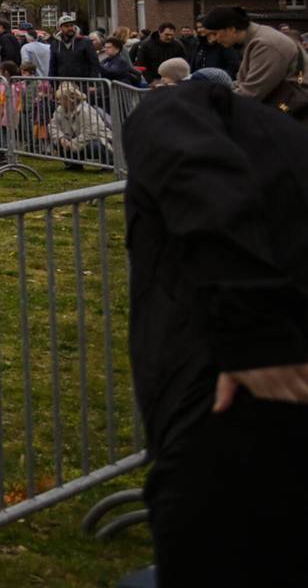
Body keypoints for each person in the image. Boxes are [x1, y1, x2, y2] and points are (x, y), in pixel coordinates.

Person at [122, 79, 308, 582]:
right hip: (240, 407)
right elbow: (172, 125)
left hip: (239, 430)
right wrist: (256, 326)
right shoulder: (237, 120)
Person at [203, 5, 308, 114]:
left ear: (231, 29)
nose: (213, 40)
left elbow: (251, 93)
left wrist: (209, 105)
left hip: (293, 112)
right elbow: (245, 83)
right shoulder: (256, 38)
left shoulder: (266, 44)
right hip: (285, 109)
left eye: (215, 34)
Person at [48, 82, 111, 168]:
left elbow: (90, 133)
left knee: (93, 146)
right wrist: (61, 138)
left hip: (100, 139)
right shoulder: (59, 110)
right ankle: (73, 164)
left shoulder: (85, 111)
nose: (58, 102)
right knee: (57, 142)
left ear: (70, 100)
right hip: (74, 138)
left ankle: (109, 162)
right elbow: (53, 126)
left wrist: (72, 144)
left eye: (61, 99)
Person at [51, 17, 99, 82]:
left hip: (83, 84)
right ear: (60, 28)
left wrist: (93, 83)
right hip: (62, 84)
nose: (70, 28)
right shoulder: (55, 44)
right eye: (66, 26)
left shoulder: (85, 42)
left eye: (71, 25)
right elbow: (52, 65)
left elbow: (94, 64)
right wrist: (52, 83)